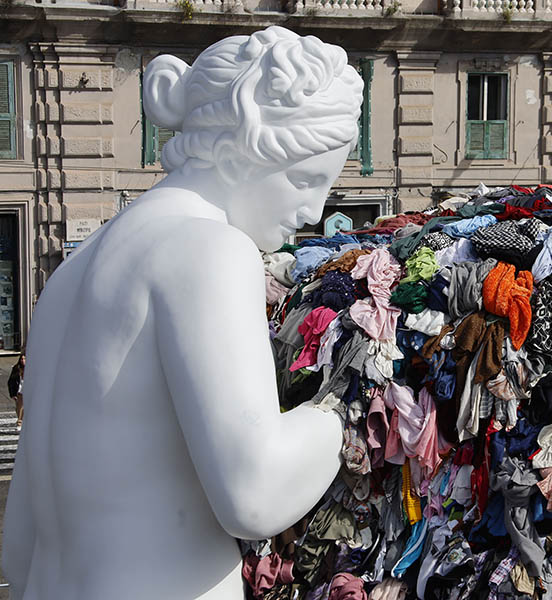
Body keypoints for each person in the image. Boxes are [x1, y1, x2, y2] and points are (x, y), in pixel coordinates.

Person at [1, 27, 362, 600]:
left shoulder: (68, 277)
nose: (315, 209)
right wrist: (339, 416)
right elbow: (256, 491)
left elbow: (17, 544)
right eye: (305, 178)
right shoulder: (208, 250)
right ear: (245, 148)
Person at [6, 351, 23, 431]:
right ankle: (20, 422)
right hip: (19, 391)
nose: (23, 361)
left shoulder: (31, 368)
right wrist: (12, 394)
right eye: (22, 359)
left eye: (24, 359)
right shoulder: (16, 368)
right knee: (19, 408)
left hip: (28, 391)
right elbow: (11, 382)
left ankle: (23, 422)